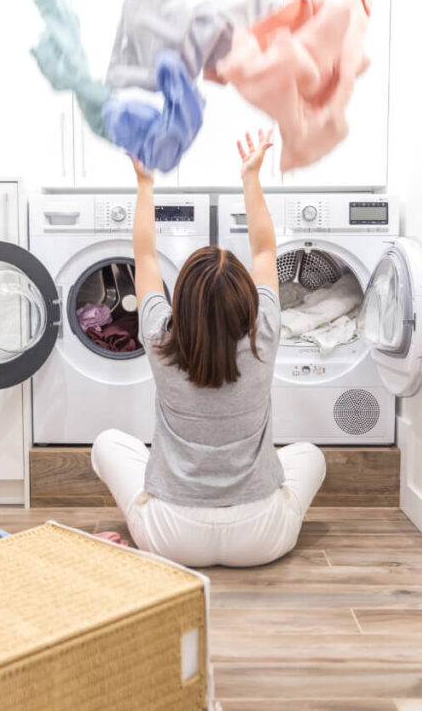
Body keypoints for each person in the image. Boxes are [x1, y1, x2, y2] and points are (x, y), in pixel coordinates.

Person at [90, 129, 326, 568]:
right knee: (310, 456)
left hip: (171, 537)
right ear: (246, 303)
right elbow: (265, 249)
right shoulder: (266, 331)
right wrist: (250, 178)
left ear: (179, 300)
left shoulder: (159, 334)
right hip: (260, 537)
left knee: (106, 444)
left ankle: (163, 489)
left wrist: (145, 184)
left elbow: (143, 257)